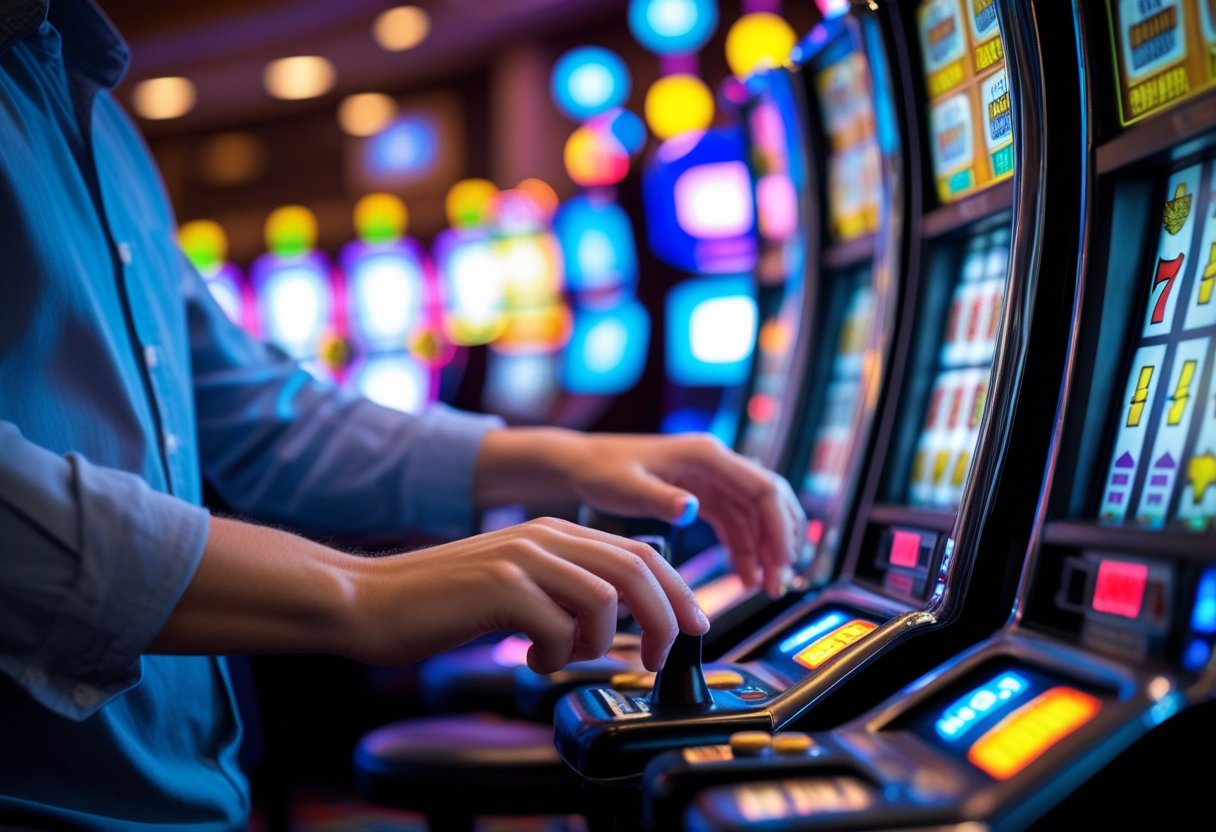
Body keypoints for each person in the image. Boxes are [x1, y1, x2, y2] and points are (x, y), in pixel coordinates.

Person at [0, 0, 805, 828]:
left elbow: (263, 414)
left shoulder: (98, 108)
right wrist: (367, 593)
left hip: (197, 792)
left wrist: (564, 457)